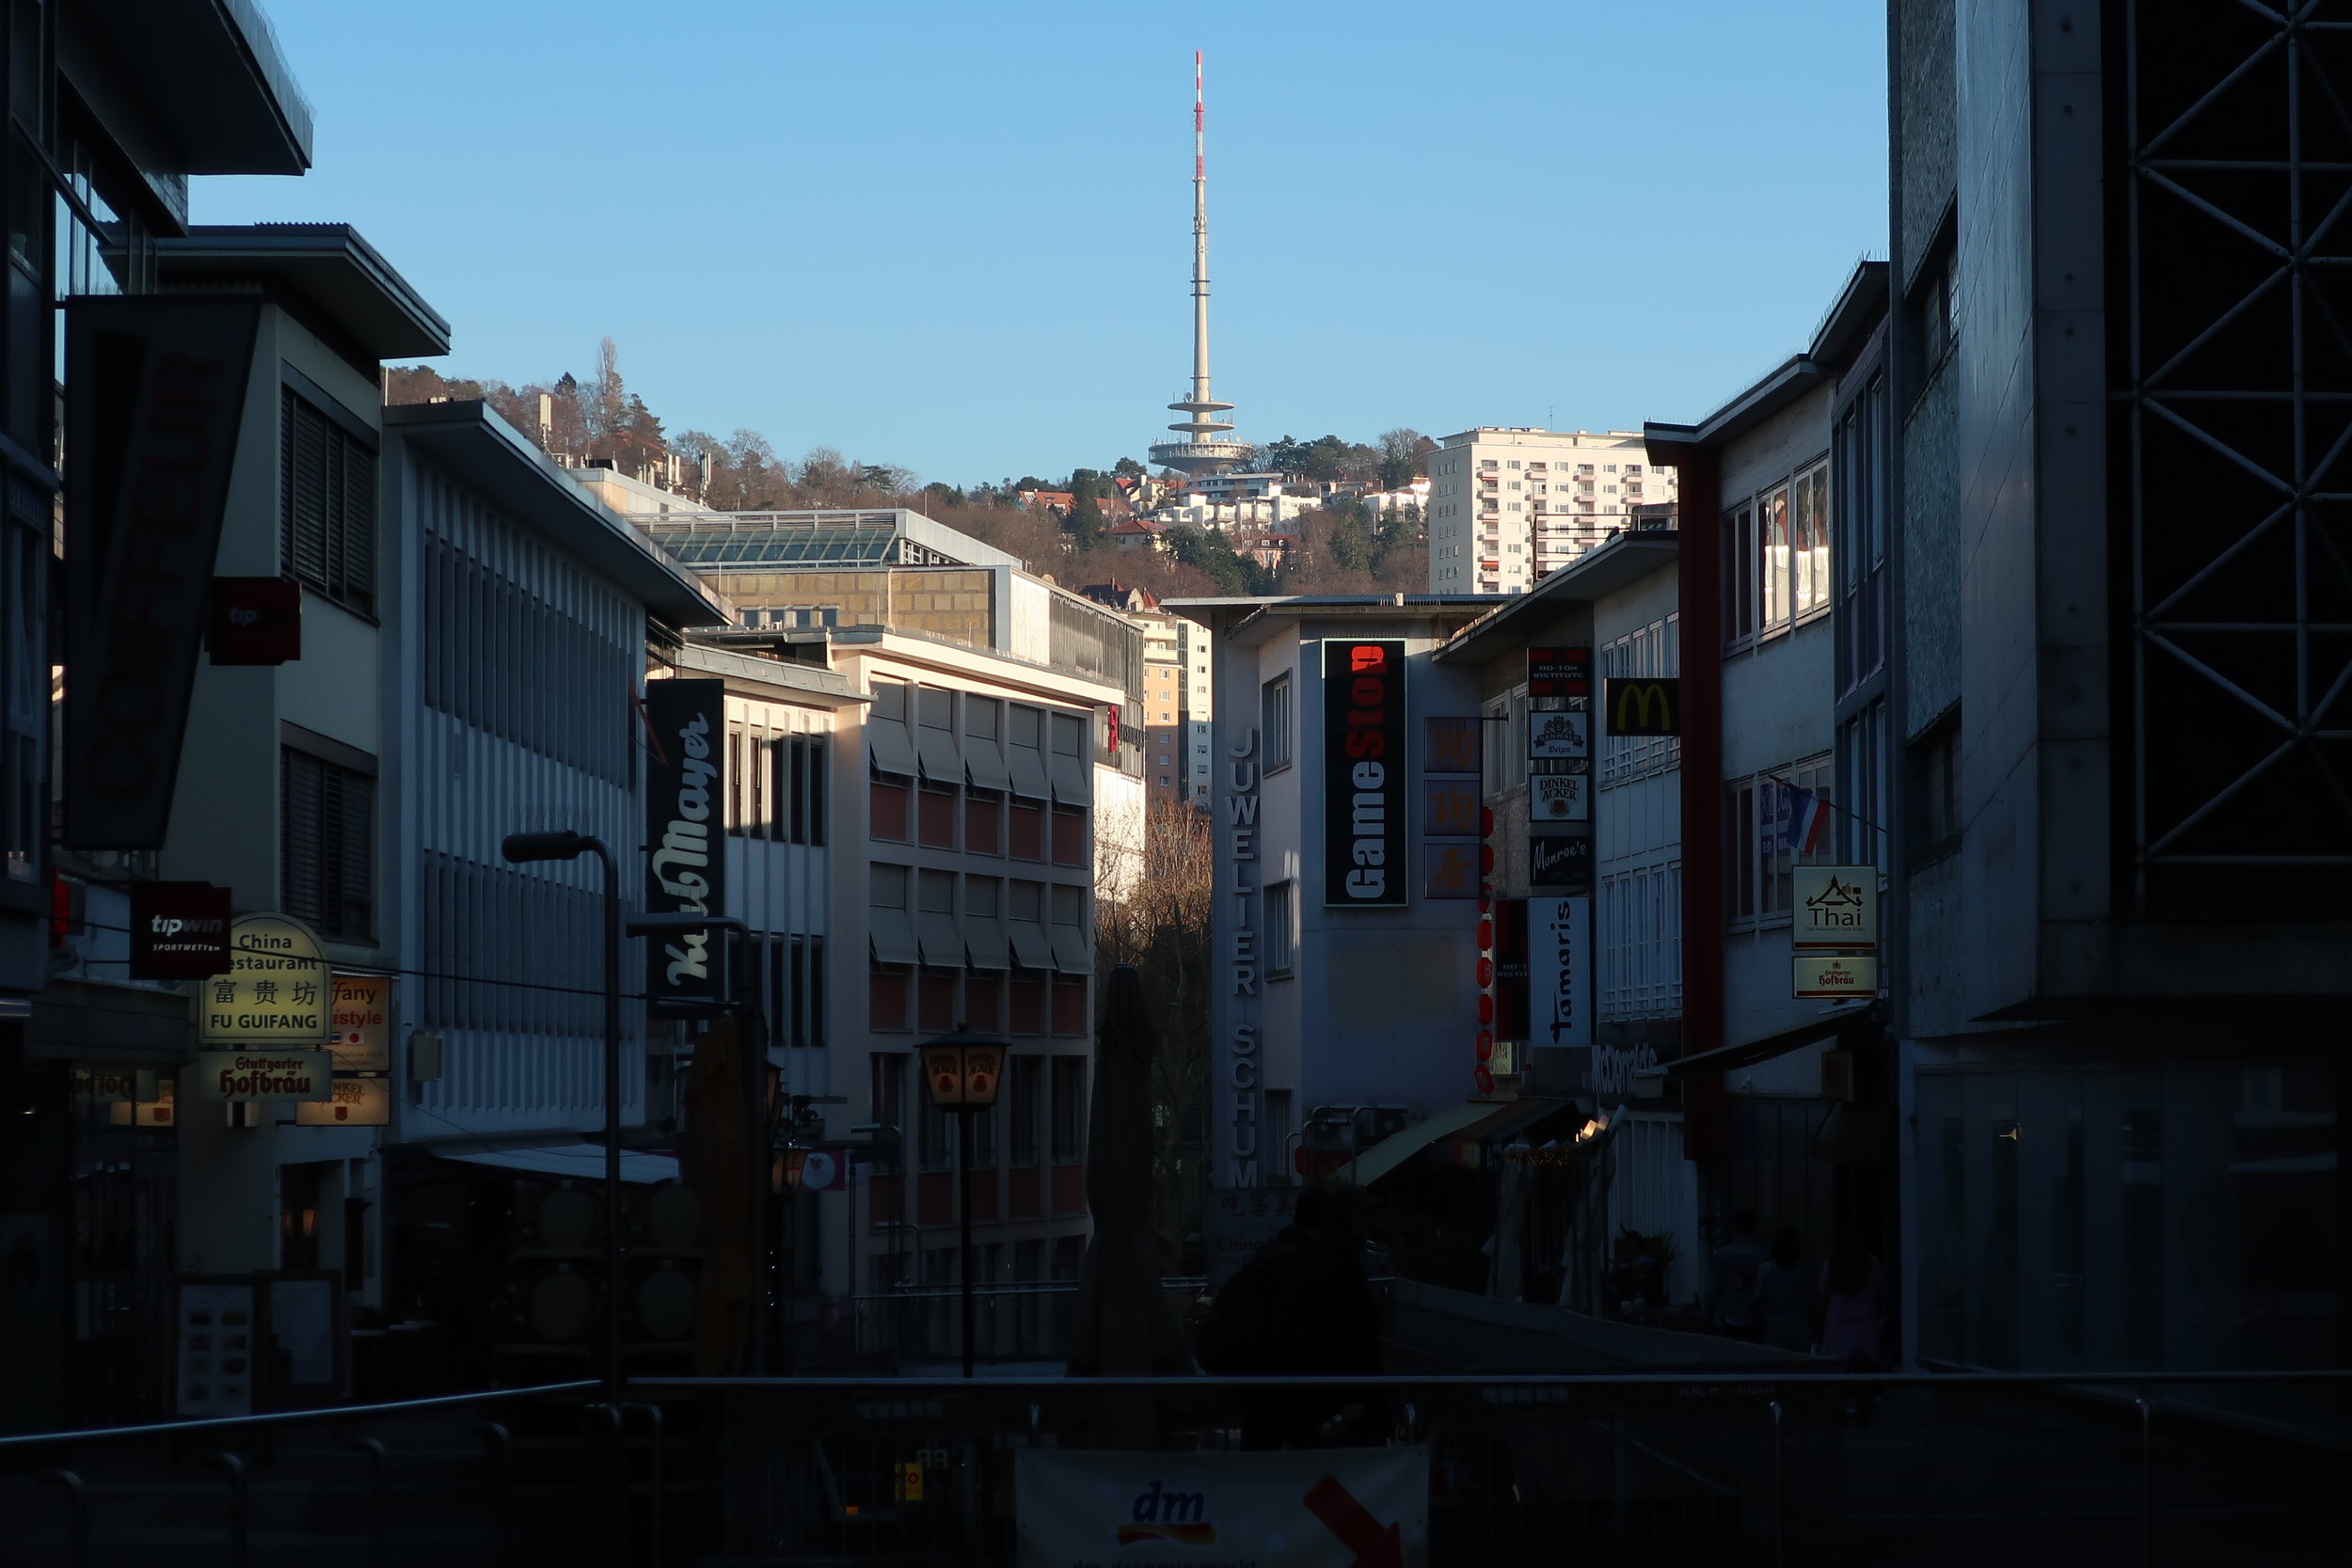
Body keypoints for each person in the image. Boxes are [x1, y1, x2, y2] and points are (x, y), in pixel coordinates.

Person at [1196, 1188, 1384, 1447]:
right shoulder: (1319, 1262)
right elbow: (1332, 1334)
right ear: (1338, 1219)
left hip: (1270, 1385)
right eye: (1362, 1214)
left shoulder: (1277, 1254)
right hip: (1297, 1391)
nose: (1370, 1222)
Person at [1818, 1231, 1887, 1369]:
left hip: (1837, 1328)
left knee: (1838, 1372)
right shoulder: (1871, 1263)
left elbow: (1823, 1297)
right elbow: (1882, 1291)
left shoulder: (1831, 1265)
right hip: (1865, 1327)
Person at [1707, 1211, 1770, 1340]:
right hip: (1755, 1320)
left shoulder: (1722, 1254)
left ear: (1736, 1227)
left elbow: (1714, 1289)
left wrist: (1708, 1316)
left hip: (1729, 1316)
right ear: (1754, 1227)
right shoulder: (1763, 1255)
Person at [1755, 1226, 1815, 1353]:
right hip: (1799, 1332)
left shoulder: (1765, 1271)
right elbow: (1810, 1301)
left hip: (1774, 1331)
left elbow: (1759, 1301)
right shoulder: (1802, 1271)